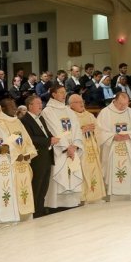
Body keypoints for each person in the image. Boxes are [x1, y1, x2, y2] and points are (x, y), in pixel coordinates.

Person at [40, 84, 84, 213]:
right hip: (60, 150)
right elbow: (54, 129)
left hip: (72, 148)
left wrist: (75, 145)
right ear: (53, 94)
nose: (64, 95)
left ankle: (72, 202)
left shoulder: (68, 110)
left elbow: (76, 127)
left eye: (65, 92)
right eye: (61, 92)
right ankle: (56, 204)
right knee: (59, 176)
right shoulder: (48, 111)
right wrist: (66, 147)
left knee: (72, 174)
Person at [95, 92, 131, 201]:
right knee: (111, 171)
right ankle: (109, 197)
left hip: (127, 148)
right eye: (120, 104)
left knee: (126, 170)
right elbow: (99, 131)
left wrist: (129, 135)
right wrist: (112, 136)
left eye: (126, 104)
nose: (123, 107)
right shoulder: (105, 113)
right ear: (115, 100)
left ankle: (126, 195)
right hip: (111, 148)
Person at [0, 97, 36, 218]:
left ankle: (27, 215)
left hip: (24, 162)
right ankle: (16, 216)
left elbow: (27, 140)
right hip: (12, 164)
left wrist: (29, 152)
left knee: (25, 190)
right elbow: (3, 144)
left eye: (15, 106)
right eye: (11, 106)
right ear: (3, 109)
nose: (15, 108)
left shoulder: (17, 121)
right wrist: (15, 155)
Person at [68, 94, 105, 204]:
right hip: (79, 151)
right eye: (78, 102)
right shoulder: (69, 116)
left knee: (93, 170)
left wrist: (93, 130)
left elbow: (98, 130)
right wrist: (82, 130)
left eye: (82, 101)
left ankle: (95, 195)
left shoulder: (89, 115)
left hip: (91, 149)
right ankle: (82, 197)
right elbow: (67, 133)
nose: (81, 104)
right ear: (71, 105)